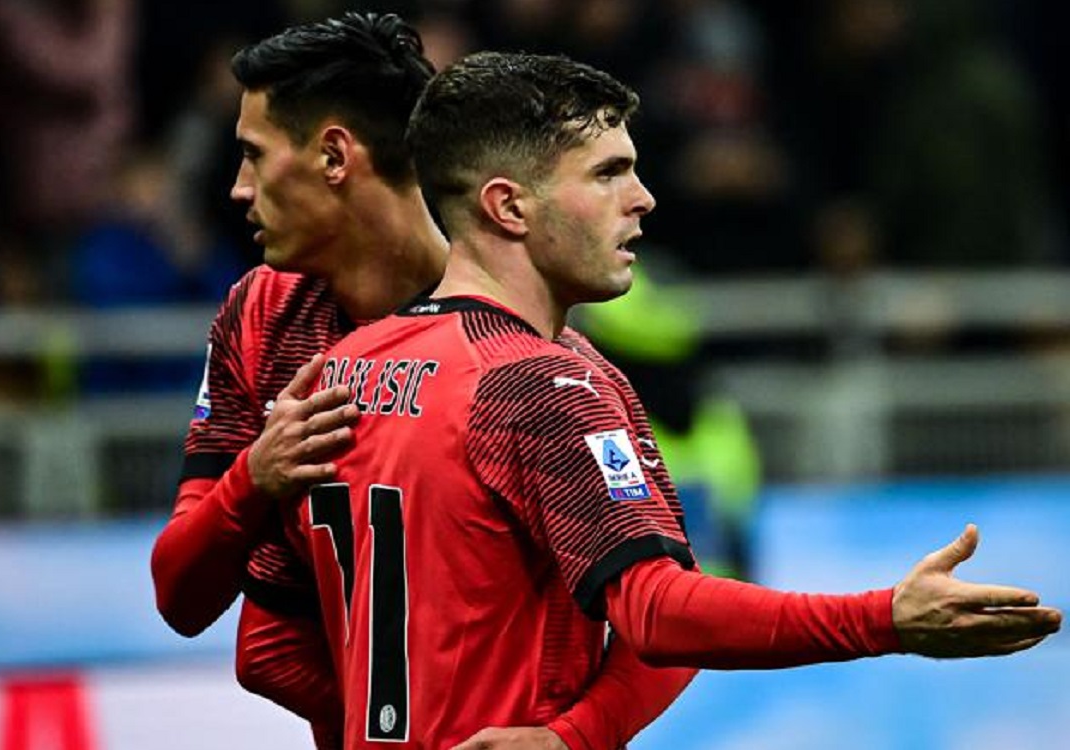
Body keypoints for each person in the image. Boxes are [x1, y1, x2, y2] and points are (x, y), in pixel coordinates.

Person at [276, 50, 1062, 748]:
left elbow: (268, 650)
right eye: (608, 173)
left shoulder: (341, 369)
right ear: (508, 207)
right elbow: (659, 613)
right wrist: (883, 618)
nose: (644, 197)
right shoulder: (545, 383)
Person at [149, 13, 695, 750]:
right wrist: (254, 478)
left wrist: (572, 736)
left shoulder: (541, 365)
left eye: (252, 155)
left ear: (334, 156)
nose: (239, 189)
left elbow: (667, 615)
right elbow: (207, 612)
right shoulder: (261, 319)